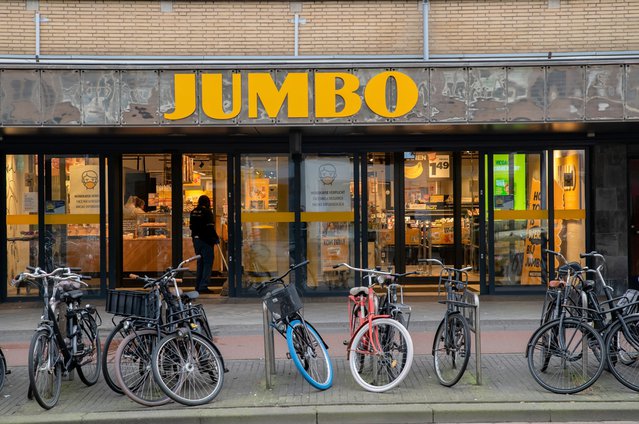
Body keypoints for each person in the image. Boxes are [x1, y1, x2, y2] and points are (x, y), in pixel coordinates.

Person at [189, 195, 219, 294]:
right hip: (206, 241)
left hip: (196, 240)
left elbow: (191, 227)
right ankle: (203, 286)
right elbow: (210, 227)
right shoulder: (207, 212)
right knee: (207, 263)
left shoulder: (193, 212)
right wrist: (215, 238)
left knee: (200, 262)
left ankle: (197, 285)